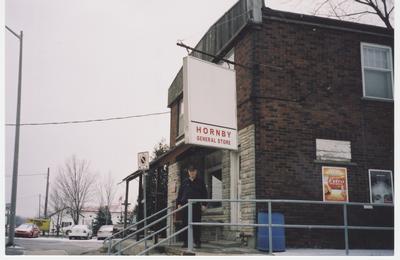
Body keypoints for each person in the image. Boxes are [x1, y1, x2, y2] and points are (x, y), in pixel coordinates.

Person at [176, 164, 208, 248]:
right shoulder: (184, 182)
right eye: (190, 171)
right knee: (185, 224)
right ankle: (186, 242)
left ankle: (197, 242)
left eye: (193, 171)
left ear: (196, 172)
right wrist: (178, 203)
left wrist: (204, 204)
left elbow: (205, 193)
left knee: (196, 224)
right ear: (188, 172)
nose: (192, 173)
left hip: (196, 206)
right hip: (185, 206)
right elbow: (180, 194)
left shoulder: (200, 182)